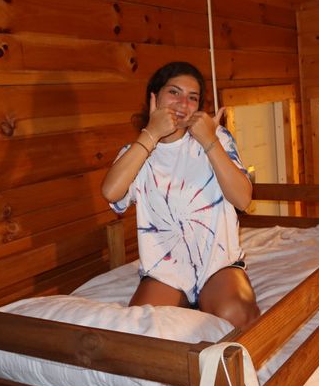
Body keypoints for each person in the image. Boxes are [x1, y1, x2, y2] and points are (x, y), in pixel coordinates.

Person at [101, 61, 260, 330]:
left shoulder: (216, 137)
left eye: (192, 97)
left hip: (218, 265)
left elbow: (243, 199)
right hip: (164, 272)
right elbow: (111, 193)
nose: (183, 103)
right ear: (154, 96)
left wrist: (209, 140)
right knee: (141, 331)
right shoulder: (138, 151)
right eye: (174, 92)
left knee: (238, 315)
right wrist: (151, 134)